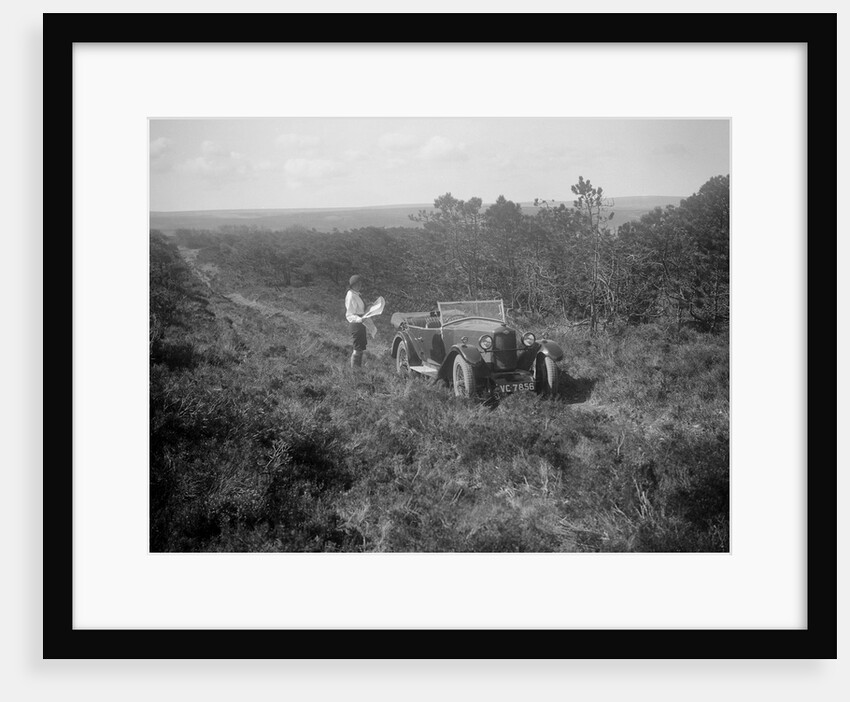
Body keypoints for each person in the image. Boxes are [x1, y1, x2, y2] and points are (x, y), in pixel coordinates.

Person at [345, 274, 369, 371]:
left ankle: (358, 371)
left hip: (361, 323)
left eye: (360, 284)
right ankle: (354, 372)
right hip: (356, 324)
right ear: (352, 285)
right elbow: (350, 314)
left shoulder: (357, 294)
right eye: (357, 284)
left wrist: (369, 307)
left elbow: (360, 309)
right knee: (357, 349)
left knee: (360, 349)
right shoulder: (351, 295)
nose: (359, 286)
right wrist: (359, 319)